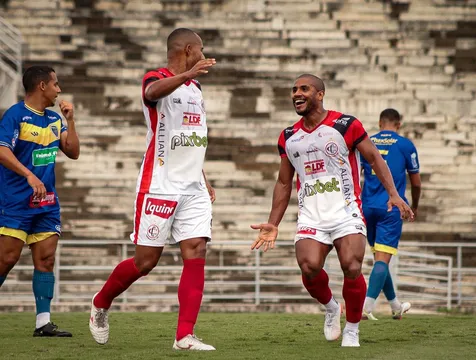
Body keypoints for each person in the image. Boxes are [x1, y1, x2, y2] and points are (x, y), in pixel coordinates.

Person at [250, 74, 414, 347]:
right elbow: (283, 181)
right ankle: (330, 307)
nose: (296, 94)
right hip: (311, 215)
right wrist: (273, 222)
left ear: (320, 94)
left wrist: (394, 194)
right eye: (293, 90)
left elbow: (373, 158)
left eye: (304, 89)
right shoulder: (289, 137)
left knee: (351, 266)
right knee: (309, 267)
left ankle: (351, 329)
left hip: (346, 211)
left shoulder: (346, 124)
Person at [89, 28, 217, 351]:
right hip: (159, 185)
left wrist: (202, 174)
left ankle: (184, 336)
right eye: (200, 50)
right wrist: (187, 74)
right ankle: (101, 302)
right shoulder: (155, 78)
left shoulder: (196, 88)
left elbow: (189, 135)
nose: (203, 56)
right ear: (188, 50)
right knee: (146, 262)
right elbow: (151, 94)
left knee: (196, 251)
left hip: (193, 187)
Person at [0, 65, 80, 336]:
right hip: (15, 202)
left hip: (46, 204)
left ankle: (43, 323)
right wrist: (29, 176)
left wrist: (70, 120)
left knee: (46, 260)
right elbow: (2, 151)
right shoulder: (15, 115)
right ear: (42, 86)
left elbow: (73, 152)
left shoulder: (54, 120)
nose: (59, 89)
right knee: (6, 259)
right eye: (56, 84)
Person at [361, 108, 421, 320]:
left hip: (367, 207)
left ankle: (396, 306)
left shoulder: (366, 142)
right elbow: (415, 181)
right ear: (399, 124)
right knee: (382, 260)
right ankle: (366, 307)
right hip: (391, 207)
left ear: (379, 123)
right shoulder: (405, 145)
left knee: (380, 258)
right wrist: (414, 205)